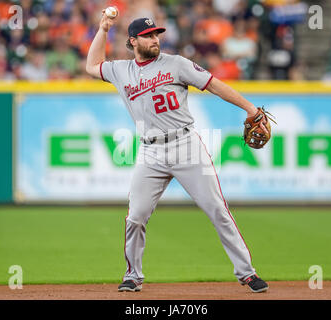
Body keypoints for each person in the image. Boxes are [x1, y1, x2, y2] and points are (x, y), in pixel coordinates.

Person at [85, 9, 269, 294]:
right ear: (133, 41)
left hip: (186, 146)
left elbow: (215, 86)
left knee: (217, 209)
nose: (154, 39)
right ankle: (133, 276)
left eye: (156, 34)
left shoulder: (177, 64)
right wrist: (103, 29)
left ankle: (247, 273)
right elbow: (92, 66)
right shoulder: (121, 70)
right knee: (136, 216)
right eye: (147, 36)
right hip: (150, 152)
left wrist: (250, 108)